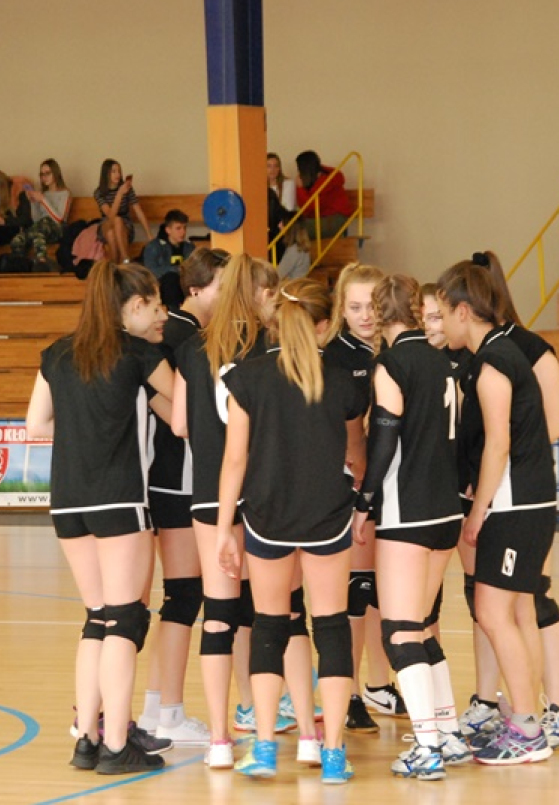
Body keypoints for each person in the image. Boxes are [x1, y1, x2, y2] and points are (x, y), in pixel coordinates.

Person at [25, 259, 174, 776]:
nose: (160, 316)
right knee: (125, 619)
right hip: (119, 499)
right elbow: (184, 413)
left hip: (68, 502)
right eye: (154, 306)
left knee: (96, 617)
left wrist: (82, 426)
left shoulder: (57, 354)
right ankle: (116, 745)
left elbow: (35, 425)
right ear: (132, 307)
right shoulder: (138, 354)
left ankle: (86, 739)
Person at [217, 277, 366, 784]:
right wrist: (361, 501)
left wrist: (224, 527)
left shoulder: (247, 378)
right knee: (331, 626)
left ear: (274, 320)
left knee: (269, 625)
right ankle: (334, 754)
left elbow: (234, 461)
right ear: (325, 325)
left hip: (268, 516)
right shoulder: (342, 382)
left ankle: (263, 747)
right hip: (328, 515)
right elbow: (356, 455)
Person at [172, 252, 299, 768]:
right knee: (279, 611)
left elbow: (179, 424)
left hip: (208, 494)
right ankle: (289, 722)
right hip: (263, 492)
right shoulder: (268, 346)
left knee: (219, 615)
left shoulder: (191, 348)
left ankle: (220, 740)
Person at [351, 274, 469, 780]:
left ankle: (427, 748)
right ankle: (448, 732)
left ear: (380, 314)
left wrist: (364, 502)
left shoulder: (392, 365)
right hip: (446, 512)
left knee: (399, 632)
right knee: (420, 626)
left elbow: (384, 441)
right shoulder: (445, 362)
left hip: (408, 512)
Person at [437, 262, 555, 766]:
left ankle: (527, 728)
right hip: (525, 502)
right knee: (502, 614)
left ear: (464, 311)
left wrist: (478, 510)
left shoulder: (492, 365)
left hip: (514, 505)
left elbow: (499, 445)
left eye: (444, 314)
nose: (442, 324)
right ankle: (527, 719)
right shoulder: (497, 355)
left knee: (491, 613)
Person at [137, 249, 229, 752]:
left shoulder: (178, 334)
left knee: (179, 596)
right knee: (184, 595)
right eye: (222, 285)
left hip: (170, 478)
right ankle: (167, 711)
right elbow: (181, 415)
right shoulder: (178, 337)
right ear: (195, 289)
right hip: (176, 478)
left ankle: (156, 710)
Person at [323, 263, 402, 733]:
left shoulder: (396, 348)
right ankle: (349, 691)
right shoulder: (334, 355)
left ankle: (377, 683)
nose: (365, 315)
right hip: (353, 486)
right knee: (357, 591)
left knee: (382, 591)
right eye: (354, 307)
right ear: (341, 308)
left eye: (371, 306)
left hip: (395, 484)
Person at [12, 158, 72, 268]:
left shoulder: (65, 193)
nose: (44, 177)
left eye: (47, 173)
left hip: (57, 228)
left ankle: (42, 263)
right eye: (42, 174)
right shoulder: (44, 193)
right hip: (40, 227)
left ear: (55, 173)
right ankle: (21, 266)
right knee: (17, 240)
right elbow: (36, 219)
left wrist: (43, 200)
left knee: (39, 230)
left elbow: (59, 218)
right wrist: (33, 202)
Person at [94, 159, 152, 264]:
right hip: (107, 223)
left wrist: (149, 234)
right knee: (116, 220)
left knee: (112, 233)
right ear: (106, 173)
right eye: (113, 171)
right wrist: (120, 194)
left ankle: (115, 265)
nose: (118, 174)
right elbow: (110, 215)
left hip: (125, 225)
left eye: (119, 171)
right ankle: (126, 260)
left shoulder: (127, 188)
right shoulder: (99, 192)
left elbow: (138, 211)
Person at [142, 209, 195, 309]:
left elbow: (194, 269)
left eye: (184, 228)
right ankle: (174, 312)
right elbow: (150, 272)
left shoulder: (189, 248)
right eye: (178, 228)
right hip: (162, 288)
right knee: (171, 278)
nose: (183, 232)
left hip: (184, 286)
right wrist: (175, 269)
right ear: (168, 230)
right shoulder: (154, 247)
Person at [295, 151, 355, 239]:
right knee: (290, 228)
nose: (298, 172)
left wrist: (300, 188)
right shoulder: (316, 178)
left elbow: (309, 207)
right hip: (321, 217)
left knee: (295, 230)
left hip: (335, 218)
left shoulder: (327, 181)